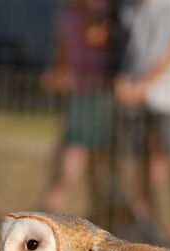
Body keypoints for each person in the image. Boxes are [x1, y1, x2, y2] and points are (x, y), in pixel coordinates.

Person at [116, 0, 170, 245]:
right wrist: (126, 80)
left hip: (168, 97)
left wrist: (145, 83)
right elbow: (135, 53)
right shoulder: (139, 9)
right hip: (140, 99)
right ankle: (150, 224)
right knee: (143, 161)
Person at [41, 0, 114, 213]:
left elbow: (62, 55)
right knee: (75, 151)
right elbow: (89, 40)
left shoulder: (70, 15)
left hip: (91, 92)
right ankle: (52, 206)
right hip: (90, 92)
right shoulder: (81, 14)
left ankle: (96, 210)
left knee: (92, 158)